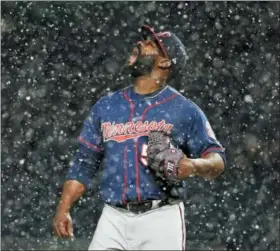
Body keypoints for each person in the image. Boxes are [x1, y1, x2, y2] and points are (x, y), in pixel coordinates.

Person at [53, 25, 226, 250]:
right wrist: (63, 208)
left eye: (151, 45)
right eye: (144, 40)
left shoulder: (184, 110)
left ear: (164, 62)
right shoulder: (106, 107)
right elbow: (84, 163)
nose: (141, 44)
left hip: (161, 218)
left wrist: (193, 165)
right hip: (113, 217)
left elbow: (218, 160)